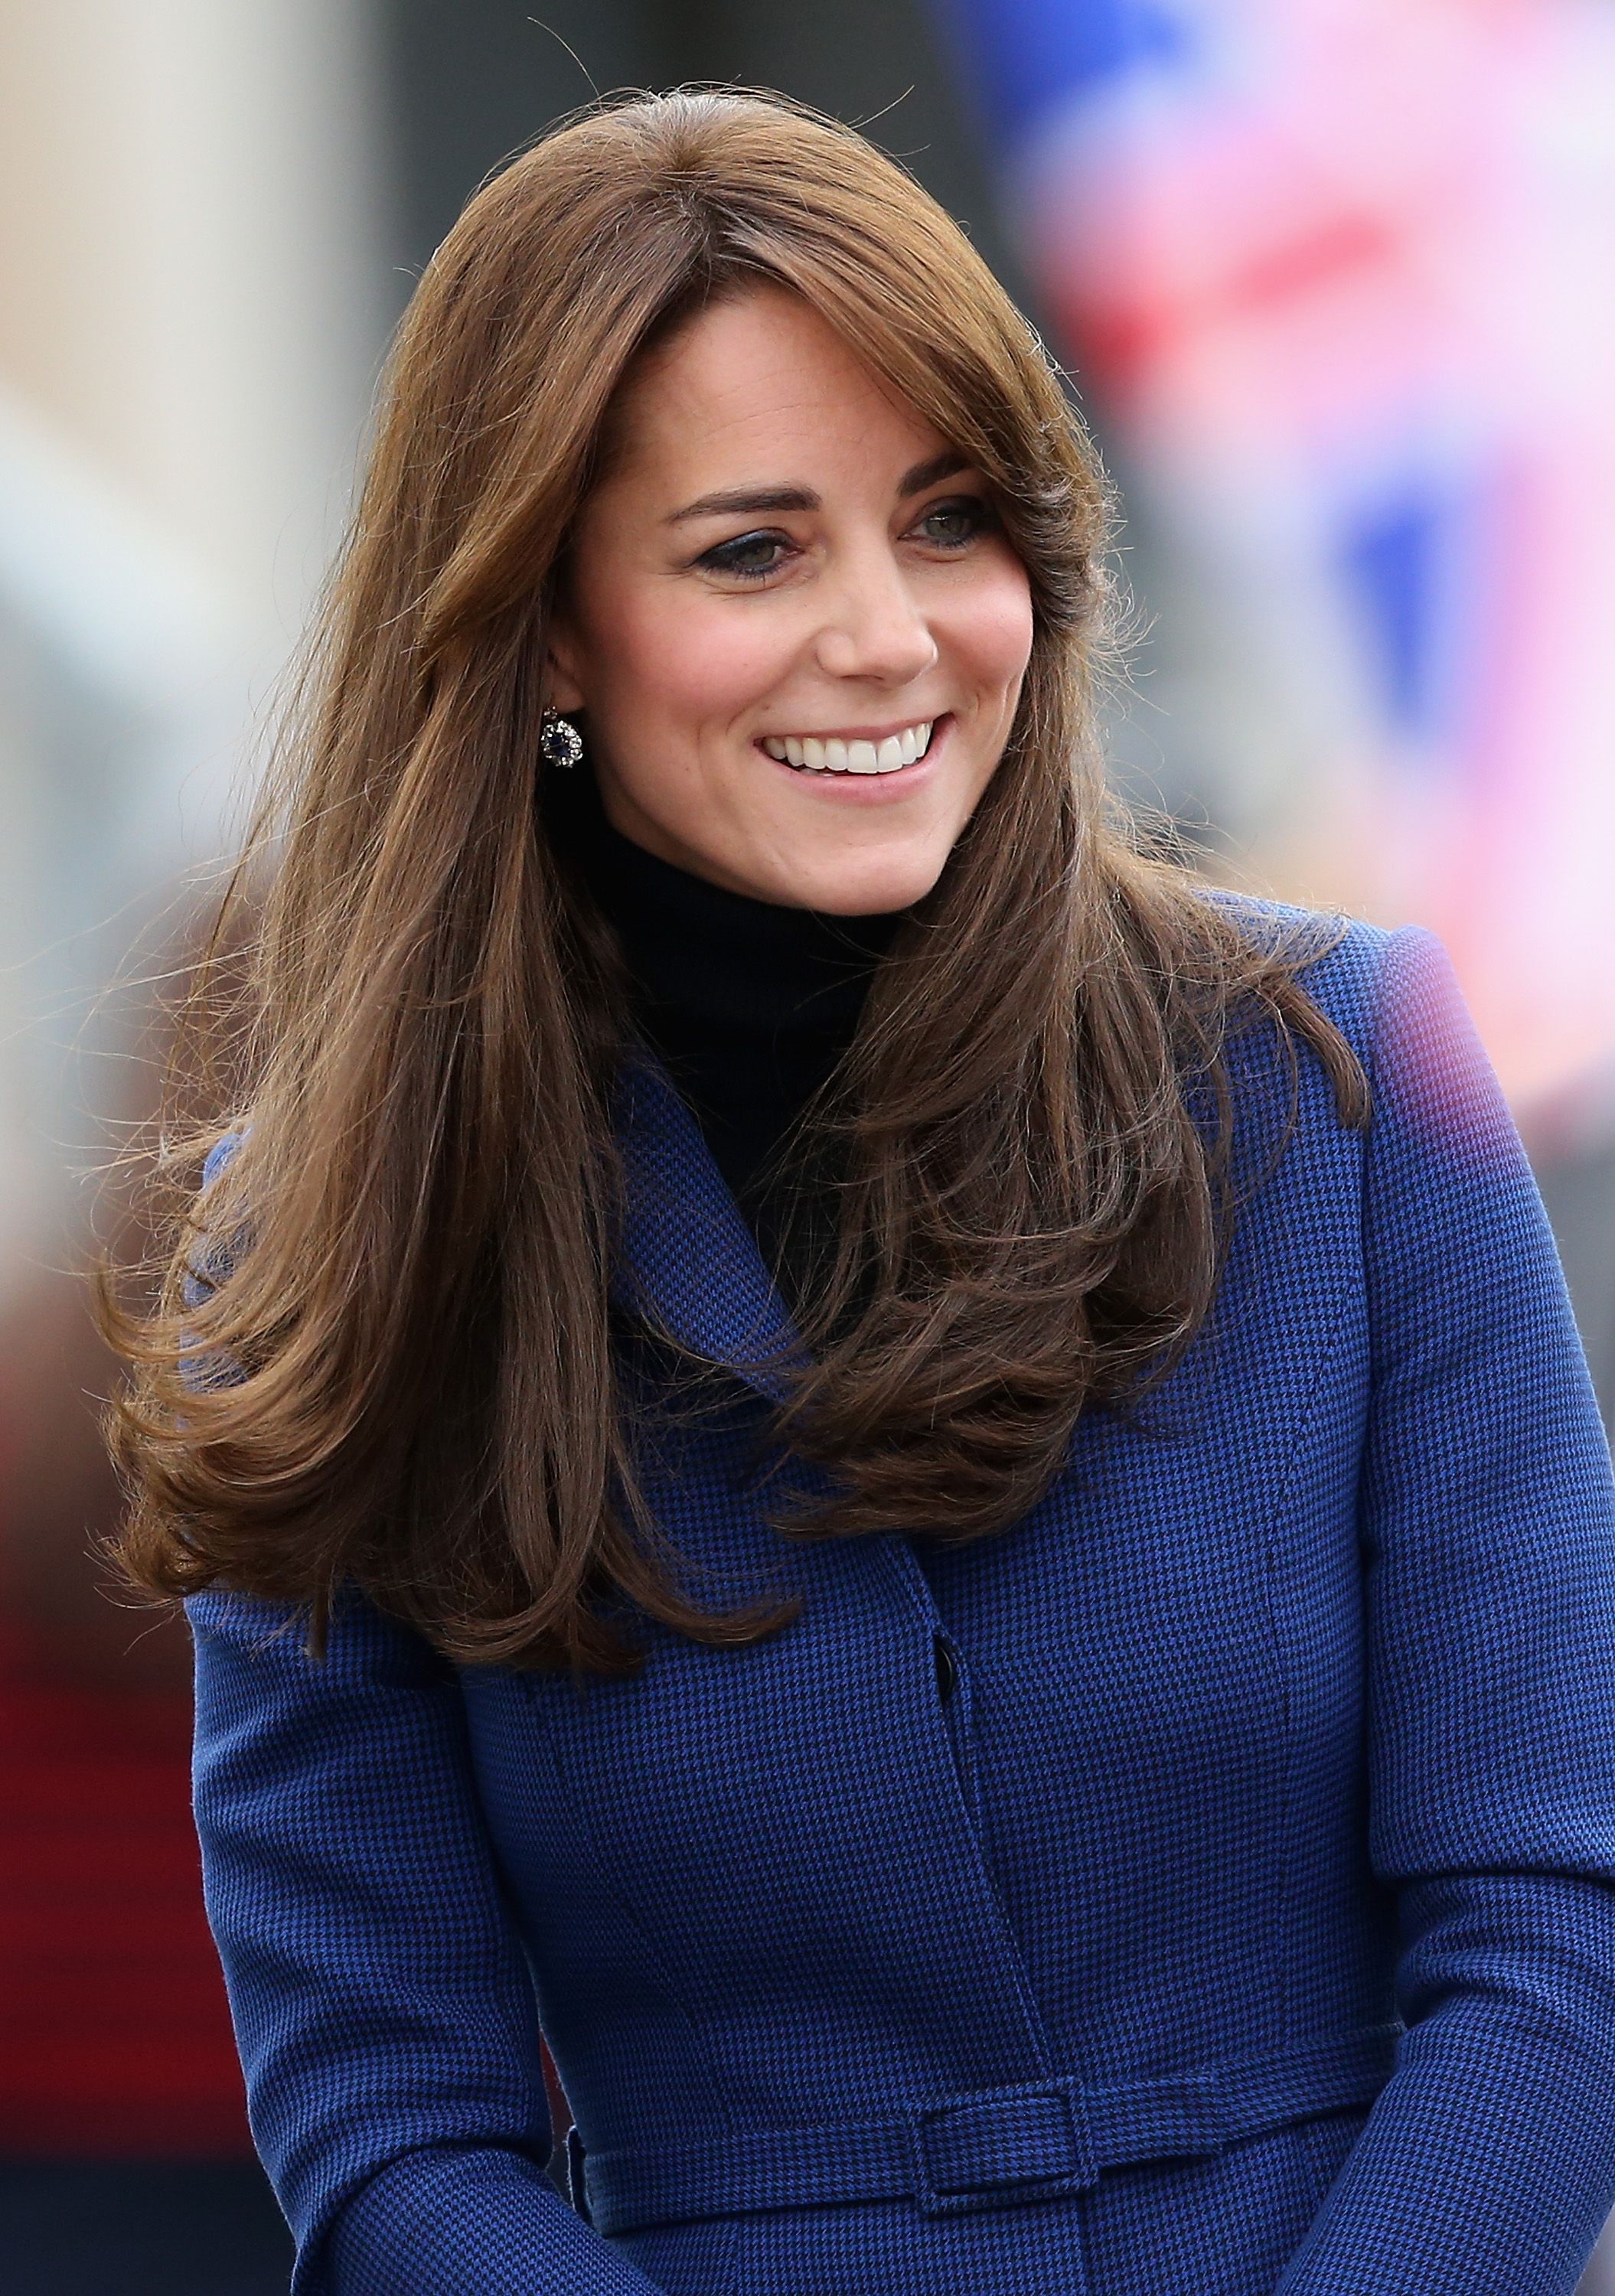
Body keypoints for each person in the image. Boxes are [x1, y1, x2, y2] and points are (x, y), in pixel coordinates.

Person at [101, 88, 1615, 2296]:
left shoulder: (1357, 1083)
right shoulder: (332, 1241)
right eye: (752, 550)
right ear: (540, 628)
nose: (893, 636)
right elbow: (391, 2124)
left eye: (947, 520)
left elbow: (1555, 1932)